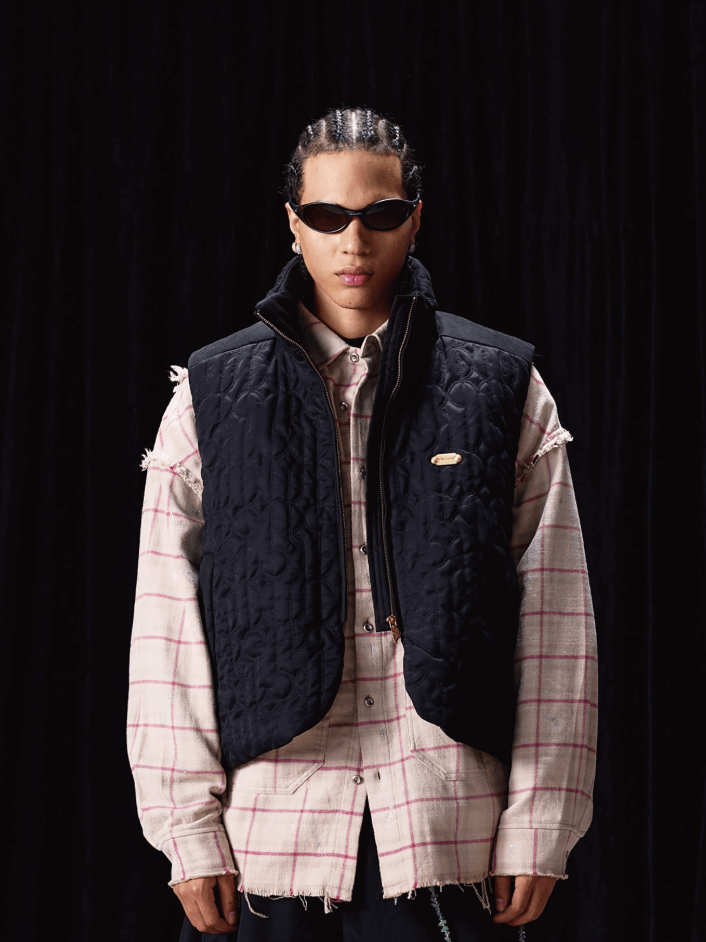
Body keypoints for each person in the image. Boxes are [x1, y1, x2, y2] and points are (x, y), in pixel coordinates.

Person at [127, 106, 598, 942]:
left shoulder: (503, 386)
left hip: (448, 829)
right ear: (293, 223)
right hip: (269, 835)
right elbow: (165, 625)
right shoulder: (208, 397)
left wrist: (543, 818)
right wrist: (185, 827)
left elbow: (557, 621)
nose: (353, 242)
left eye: (379, 215)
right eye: (326, 216)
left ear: (414, 219)